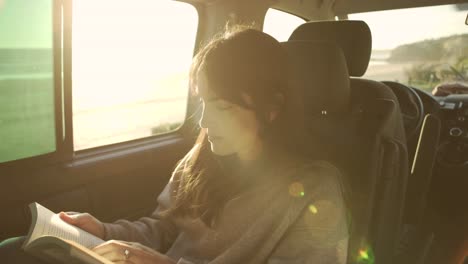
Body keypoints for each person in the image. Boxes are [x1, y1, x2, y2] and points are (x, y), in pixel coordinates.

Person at [0, 26, 349, 264]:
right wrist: (103, 230)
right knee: (13, 251)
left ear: (271, 108)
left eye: (223, 107)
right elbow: (163, 229)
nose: (205, 123)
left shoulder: (315, 193)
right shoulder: (203, 156)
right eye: (204, 104)